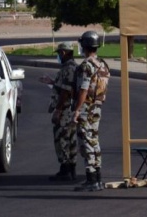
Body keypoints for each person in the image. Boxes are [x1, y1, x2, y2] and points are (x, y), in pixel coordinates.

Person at [71, 30, 110, 192]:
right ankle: (98, 178)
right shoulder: (103, 64)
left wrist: (77, 110)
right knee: (94, 141)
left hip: (87, 108)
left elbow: (83, 90)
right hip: (98, 107)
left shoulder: (86, 66)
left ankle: (91, 178)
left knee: (86, 143)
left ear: (85, 46)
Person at [47, 42, 79, 182]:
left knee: (62, 139)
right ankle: (70, 170)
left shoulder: (69, 68)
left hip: (66, 109)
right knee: (70, 139)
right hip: (69, 109)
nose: (59, 56)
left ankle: (65, 169)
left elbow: (66, 91)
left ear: (65, 52)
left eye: (59, 53)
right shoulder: (69, 68)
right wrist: (52, 82)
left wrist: (58, 110)